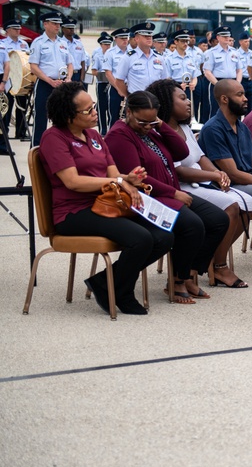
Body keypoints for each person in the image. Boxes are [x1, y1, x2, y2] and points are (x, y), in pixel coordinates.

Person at [39, 81, 172, 314]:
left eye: (93, 107)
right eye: (88, 110)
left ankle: (105, 282)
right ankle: (121, 292)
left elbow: (113, 175)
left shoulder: (94, 135)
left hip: (108, 204)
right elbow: (73, 182)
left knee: (164, 235)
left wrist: (129, 178)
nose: (94, 113)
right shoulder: (54, 138)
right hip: (73, 212)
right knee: (140, 238)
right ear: (69, 116)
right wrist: (118, 182)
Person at [106, 91, 229, 304]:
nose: (146, 126)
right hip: (147, 197)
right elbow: (138, 179)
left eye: (151, 121)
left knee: (218, 220)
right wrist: (173, 192)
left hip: (168, 193)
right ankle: (177, 280)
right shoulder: (120, 135)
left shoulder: (152, 130)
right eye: (142, 121)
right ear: (128, 112)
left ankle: (189, 274)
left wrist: (161, 126)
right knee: (192, 225)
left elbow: (181, 152)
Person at [150, 78, 251, 289]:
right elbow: (177, 170)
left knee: (246, 203)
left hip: (201, 181)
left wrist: (217, 173)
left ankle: (212, 258)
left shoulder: (184, 127)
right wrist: (213, 176)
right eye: (183, 98)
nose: (188, 102)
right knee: (231, 207)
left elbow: (200, 156)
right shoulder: (159, 131)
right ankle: (218, 266)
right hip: (181, 186)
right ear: (166, 102)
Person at [198, 79, 252, 212]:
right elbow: (233, 174)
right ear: (224, 99)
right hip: (230, 186)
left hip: (250, 183)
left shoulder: (243, 128)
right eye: (239, 95)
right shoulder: (213, 129)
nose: (245, 99)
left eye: (244, 94)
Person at [28, 12, 74, 146]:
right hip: (45, 84)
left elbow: (70, 64)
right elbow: (33, 66)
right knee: (41, 116)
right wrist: (49, 81)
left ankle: (60, 146)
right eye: (54, 23)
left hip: (62, 85)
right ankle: (36, 147)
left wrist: (69, 78)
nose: (57, 26)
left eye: (59, 24)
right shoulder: (38, 43)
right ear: (45, 24)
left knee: (64, 117)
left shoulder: (63, 43)